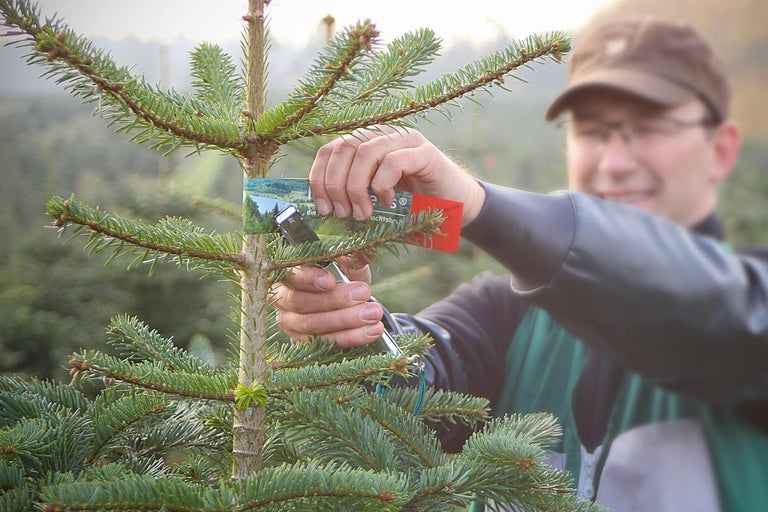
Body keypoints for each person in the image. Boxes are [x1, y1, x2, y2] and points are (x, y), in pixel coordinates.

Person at [271, 17, 768, 511]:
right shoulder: (505, 314)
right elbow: (414, 395)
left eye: (650, 128)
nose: (614, 161)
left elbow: (709, 312)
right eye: (592, 131)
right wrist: (346, 334)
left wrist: (478, 205)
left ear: (720, 150)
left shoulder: (752, 302)